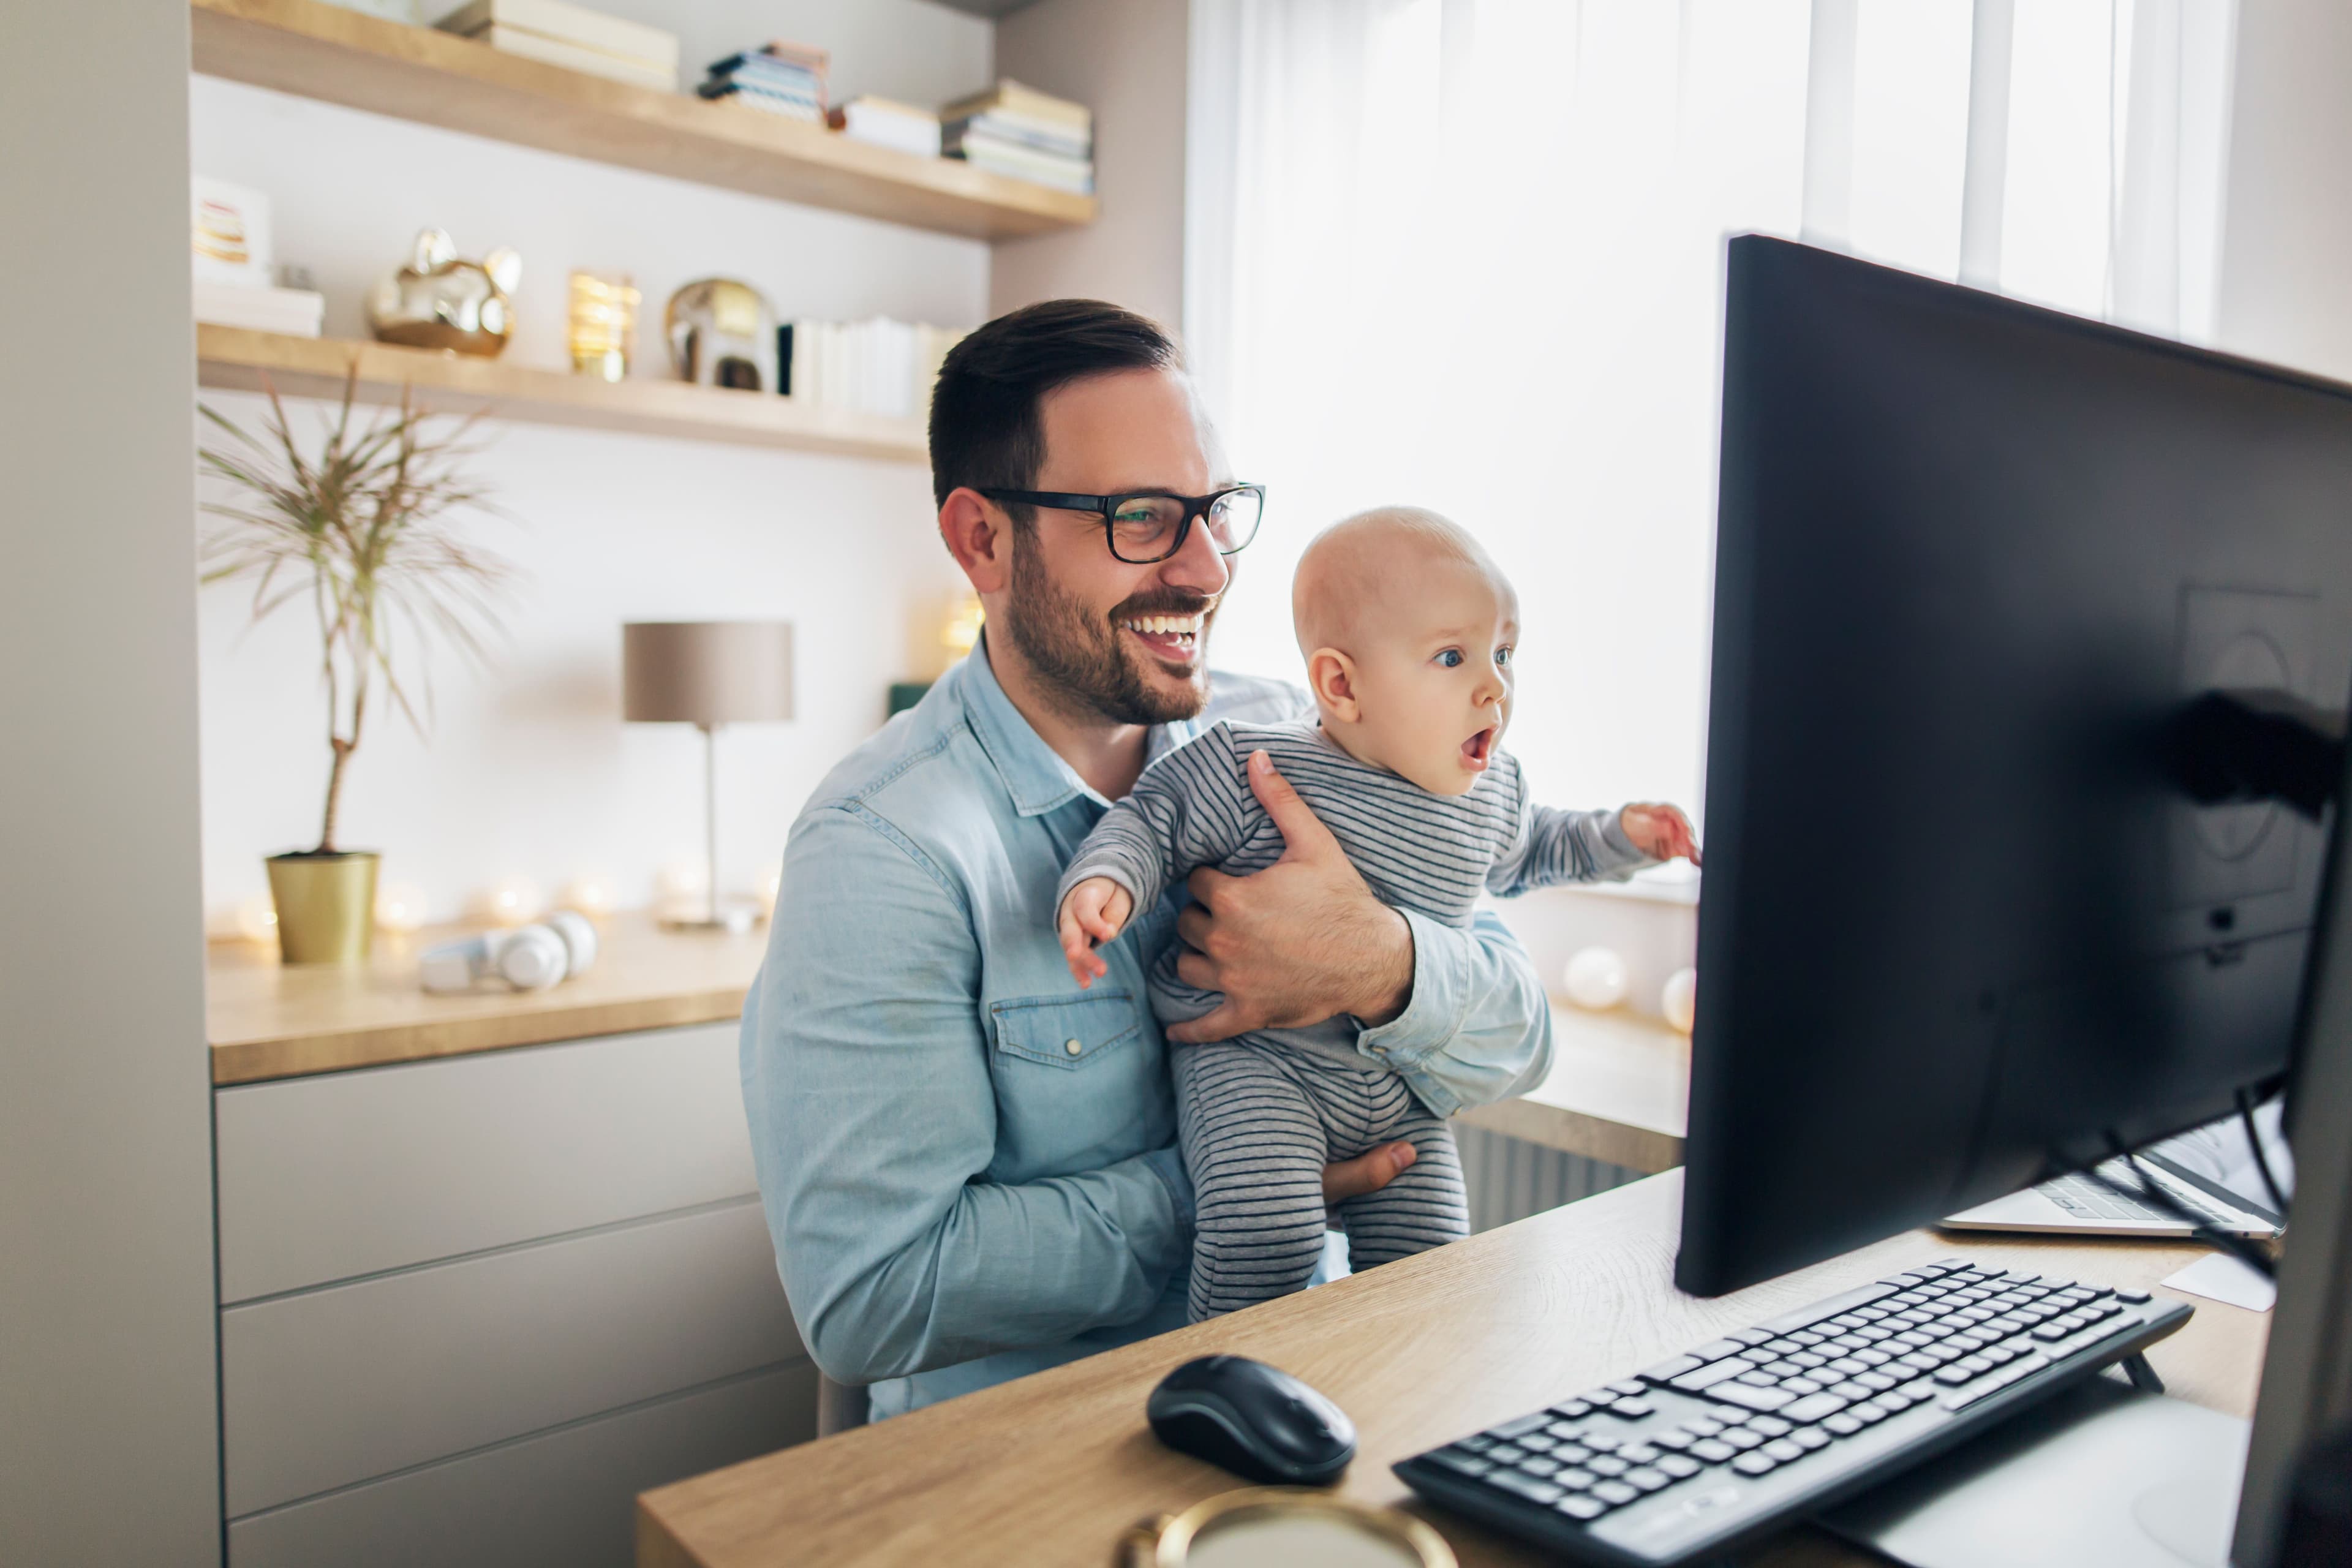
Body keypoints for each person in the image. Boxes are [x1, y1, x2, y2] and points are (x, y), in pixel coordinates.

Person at [740, 301, 1556, 1419]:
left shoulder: (1304, 745)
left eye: (1214, 511)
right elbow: (876, 1295)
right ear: (982, 539)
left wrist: (1379, 963)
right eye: (1139, 517)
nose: (1208, 570)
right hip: (1036, 1469)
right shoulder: (883, 851)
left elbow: (1524, 1041)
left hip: (1313, 1406)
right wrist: (1238, 1187)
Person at [1057, 507, 1700, 1319]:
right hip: (1262, 1067)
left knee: (1436, 1263)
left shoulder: (1491, 789)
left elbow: (1539, 850)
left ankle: (1406, 1415)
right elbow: (1153, 822)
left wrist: (1624, 837)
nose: (1494, 685)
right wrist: (1106, 882)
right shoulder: (1258, 761)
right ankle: (1227, 1387)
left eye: (1504, 654)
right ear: (1341, 685)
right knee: (1269, 1234)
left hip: (1400, 1080)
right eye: (1453, 656)